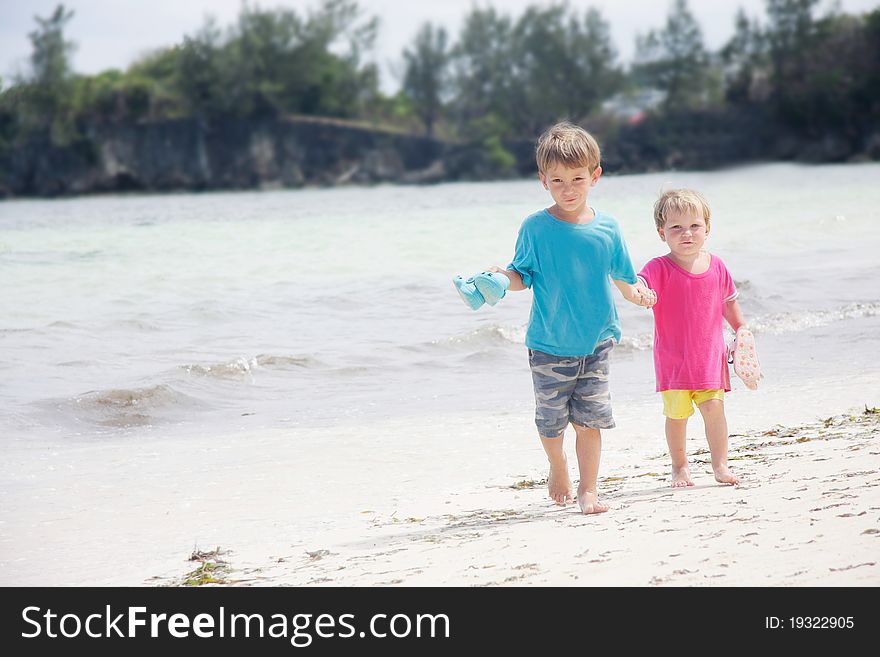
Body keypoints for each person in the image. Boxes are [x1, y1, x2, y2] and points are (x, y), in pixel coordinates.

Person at [482, 121, 655, 514]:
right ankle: (558, 464)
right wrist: (497, 278)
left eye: (578, 178)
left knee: (590, 420)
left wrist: (640, 294)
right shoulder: (536, 227)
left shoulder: (608, 228)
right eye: (558, 180)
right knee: (551, 421)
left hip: (597, 341)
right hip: (548, 344)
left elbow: (625, 279)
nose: (569, 188)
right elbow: (521, 275)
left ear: (595, 175)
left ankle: (589, 490)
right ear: (543, 180)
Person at [637, 188, 747, 488]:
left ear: (707, 228)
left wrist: (741, 329)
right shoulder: (658, 267)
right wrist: (641, 293)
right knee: (677, 416)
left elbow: (728, 303)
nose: (687, 233)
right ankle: (680, 467)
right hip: (673, 361)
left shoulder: (717, 266)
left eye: (694, 226)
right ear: (662, 233)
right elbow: (640, 285)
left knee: (715, 410)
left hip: (709, 358)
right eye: (676, 227)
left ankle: (721, 465)